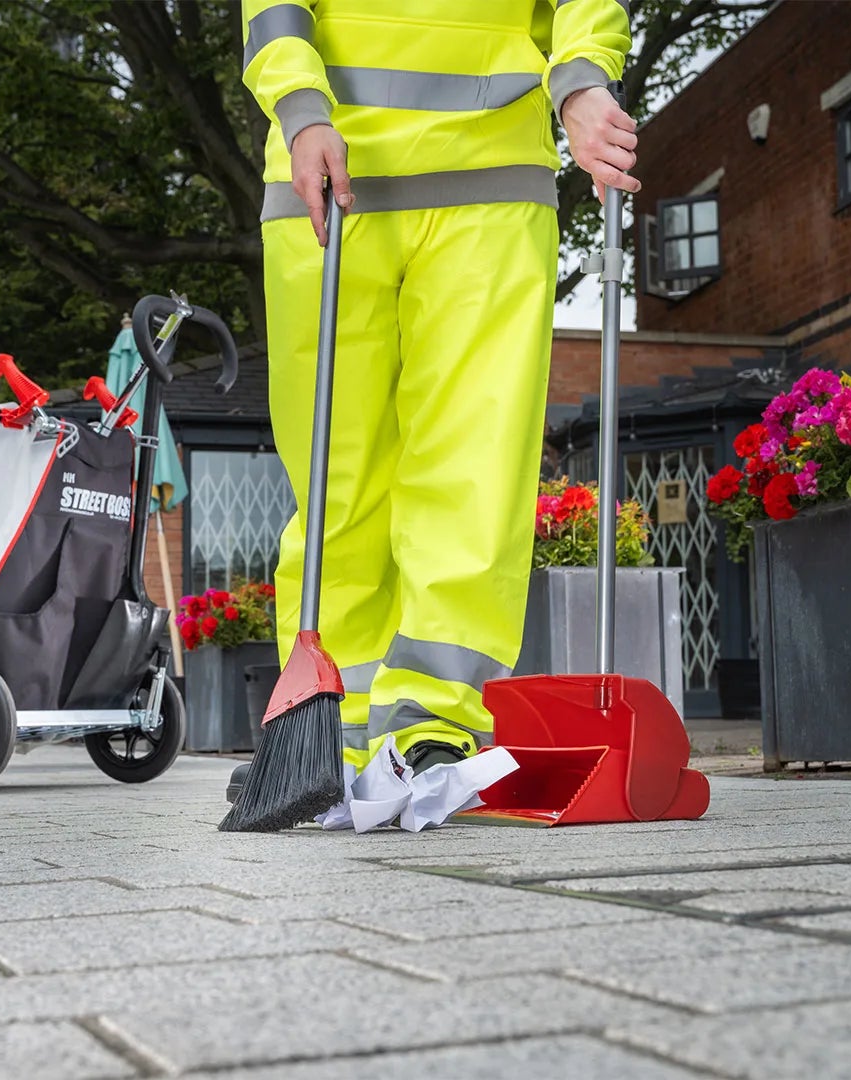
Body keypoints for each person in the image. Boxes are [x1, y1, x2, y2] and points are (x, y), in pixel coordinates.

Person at [227, 0, 639, 802]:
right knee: (337, 479)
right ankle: (330, 737)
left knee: (472, 464)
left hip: (490, 181)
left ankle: (433, 724)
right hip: (324, 172)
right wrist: (299, 108)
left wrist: (581, 81)